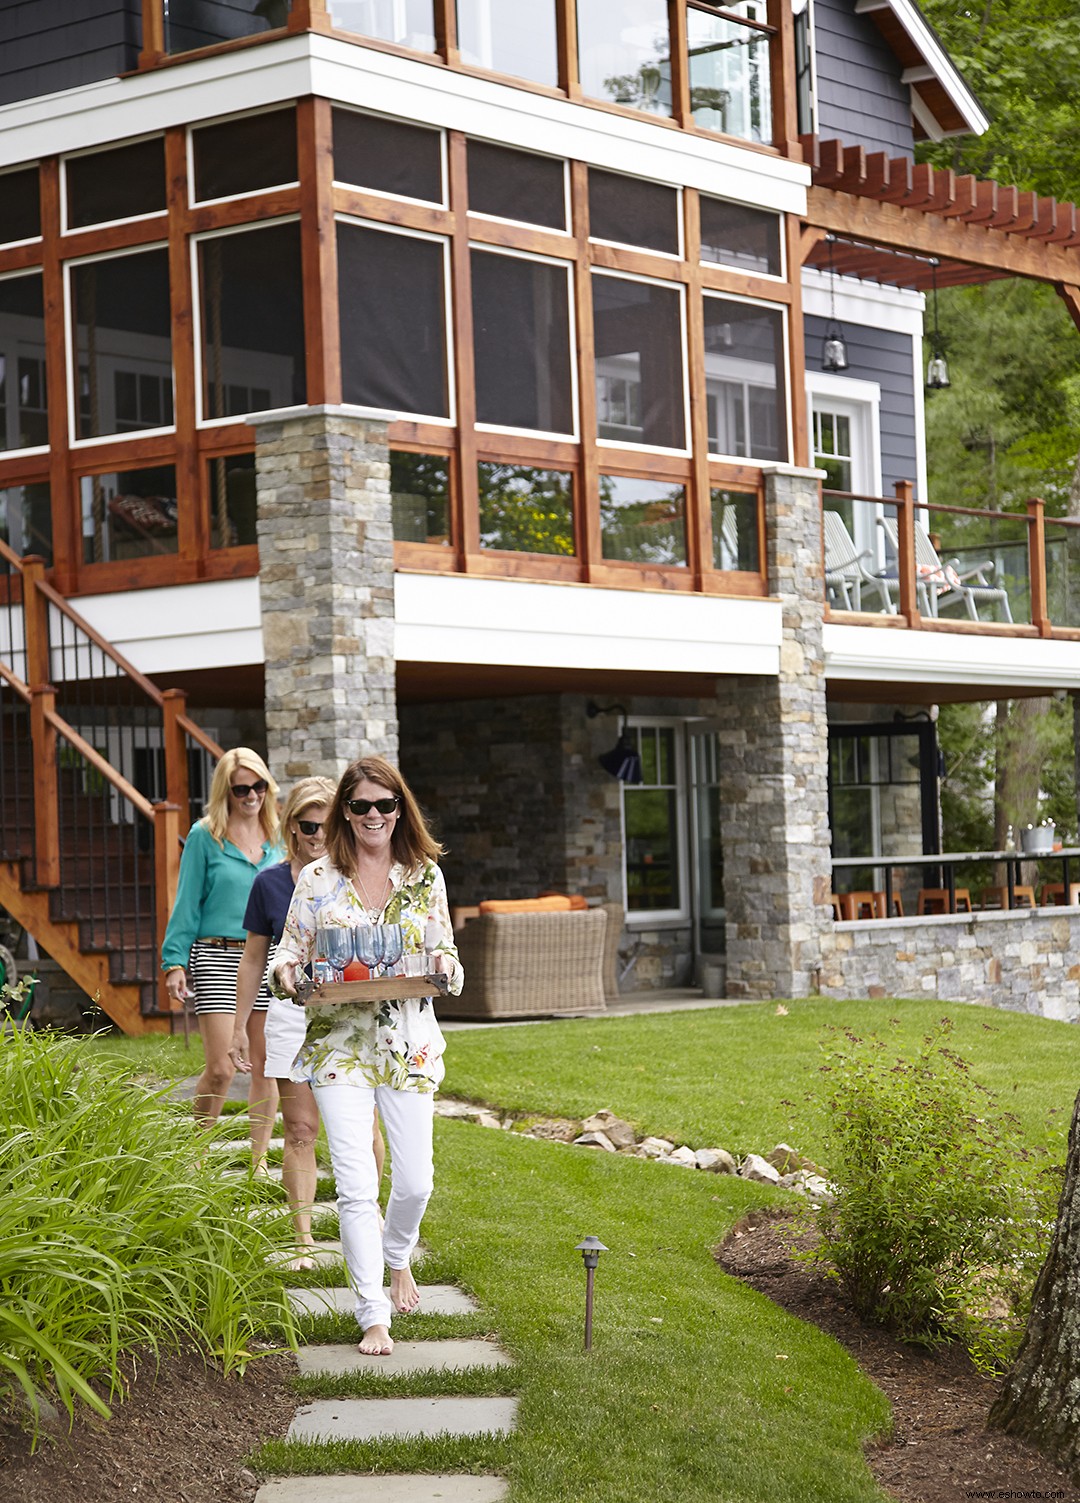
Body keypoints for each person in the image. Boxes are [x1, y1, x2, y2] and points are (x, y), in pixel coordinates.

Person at [270, 754, 463, 1357]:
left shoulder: (424, 876)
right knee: (356, 1186)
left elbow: (448, 958)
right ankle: (372, 1313)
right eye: (361, 806)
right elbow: (285, 958)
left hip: (407, 1044)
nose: (374, 815)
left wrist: (443, 970)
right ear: (345, 813)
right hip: (337, 1048)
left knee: (414, 1184)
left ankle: (398, 1254)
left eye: (385, 804)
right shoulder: (317, 880)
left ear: (400, 809)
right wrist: (292, 979)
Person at [230, 775, 386, 1270]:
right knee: (298, 1129)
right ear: (292, 827)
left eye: (327, 823)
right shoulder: (270, 883)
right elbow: (255, 959)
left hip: (352, 1017)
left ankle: (369, 1219)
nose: (319, 833)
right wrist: (239, 1025)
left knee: (365, 1128)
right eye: (309, 824)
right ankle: (302, 1239)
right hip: (289, 1015)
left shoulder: (358, 875)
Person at [161, 748, 282, 1166]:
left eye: (259, 786)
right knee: (221, 1068)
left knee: (264, 1065)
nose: (251, 795)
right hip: (216, 954)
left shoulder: (280, 837)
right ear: (226, 791)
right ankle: (193, 1158)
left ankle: (258, 1161)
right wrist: (174, 961)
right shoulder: (204, 835)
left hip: (267, 958)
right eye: (241, 788)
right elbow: (186, 903)